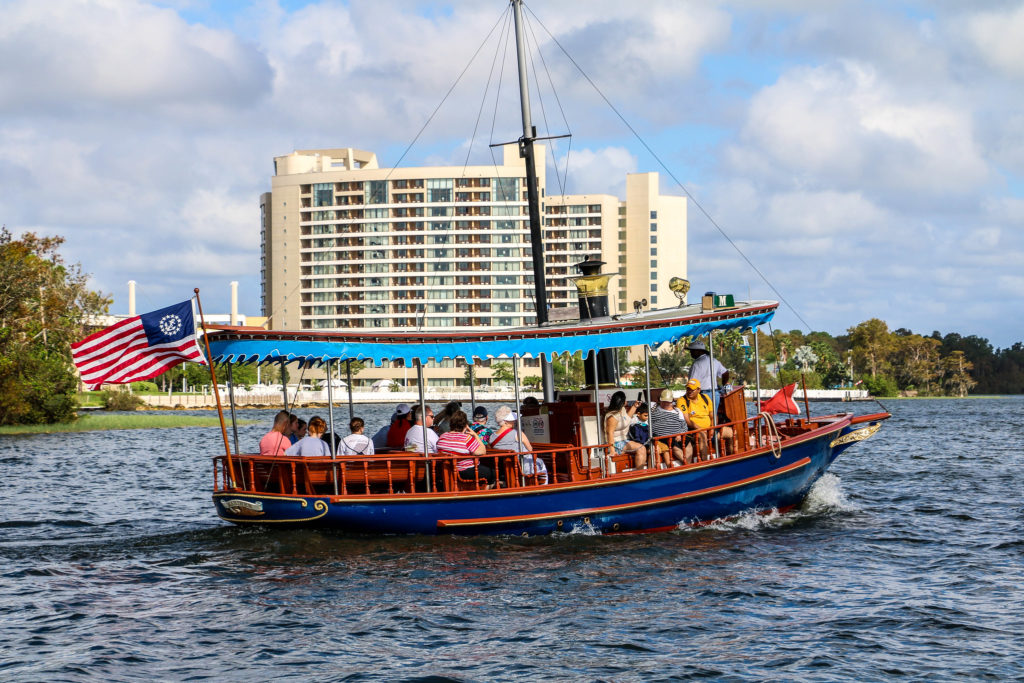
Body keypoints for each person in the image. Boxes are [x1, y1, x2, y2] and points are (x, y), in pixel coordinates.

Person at [436, 410, 494, 488]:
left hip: (448, 470)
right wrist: (475, 435)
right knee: (493, 473)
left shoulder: (442, 437)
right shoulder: (466, 438)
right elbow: (482, 451)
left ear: (451, 424)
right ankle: (485, 493)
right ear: (465, 425)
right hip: (464, 471)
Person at [492, 405, 546, 484]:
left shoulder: (492, 437)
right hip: (523, 465)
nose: (514, 421)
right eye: (512, 419)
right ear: (506, 421)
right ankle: (544, 486)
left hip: (506, 467)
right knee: (540, 462)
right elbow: (530, 449)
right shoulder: (517, 434)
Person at [604, 390, 647, 470]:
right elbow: (610, 433)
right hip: (616, 443)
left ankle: (643, 472)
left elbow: (627, 418)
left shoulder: (622, 410)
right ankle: (640, 474)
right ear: (622, 402)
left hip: (625, 440)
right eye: (625, 400)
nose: (626, 402)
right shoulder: (612, 417)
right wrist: (612, 451)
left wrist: (635, 406)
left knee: (646, 447)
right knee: (641, 448)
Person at [678, 378, 715, 460]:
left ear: (698, 390)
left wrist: (712, 428)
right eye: (688, 389)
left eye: (692, 390)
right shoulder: (682, 400)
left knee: (730, 432)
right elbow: (688, 421)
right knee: (702, 436)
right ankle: (705, 463)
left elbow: (713, 416)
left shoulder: (705, 397)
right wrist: (702, 429)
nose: (689, 391)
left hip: (710, 429)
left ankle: (734, 459)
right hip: (693, 431)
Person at [686, 340, 729, 410]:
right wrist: (723, 385)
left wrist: (687, 398)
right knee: (714, 416)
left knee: (702, 417)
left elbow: (691, 384)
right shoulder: (714, 360)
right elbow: (725, 373)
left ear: (699, 351)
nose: (691, 353)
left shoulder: (696, 364)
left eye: (692, 351)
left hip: (702, 394)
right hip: (715, 393)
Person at [650, 390, 688, 465]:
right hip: (658, 438)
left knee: (676, 449)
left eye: (668, 402)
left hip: (674, 438)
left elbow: (684, 425)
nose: (666, 403)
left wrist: (680, 434)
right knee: (656, 451)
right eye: (664, 401)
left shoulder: (677, 411)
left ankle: (687, 465)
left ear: (672, 401)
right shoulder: (653, 408)